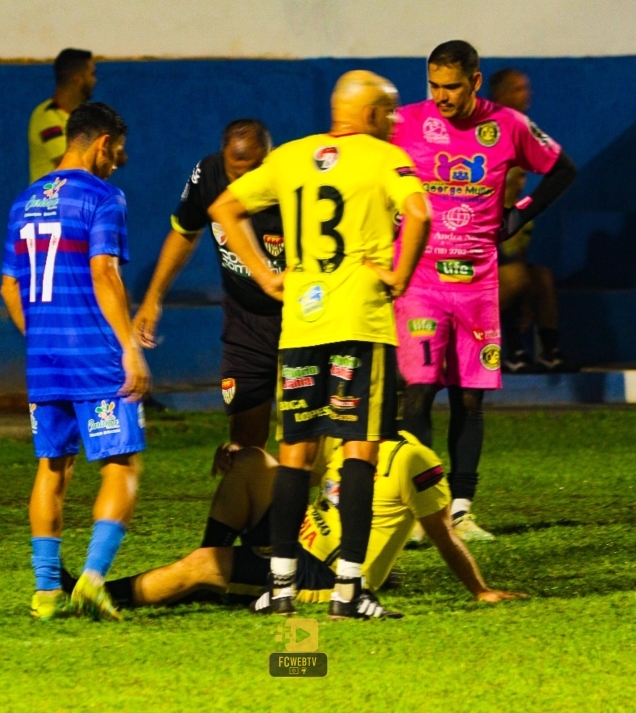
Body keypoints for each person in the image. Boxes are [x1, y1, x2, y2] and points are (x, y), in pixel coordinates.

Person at [209, 70, 431, 619]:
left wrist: (264, 275)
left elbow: (223, 210)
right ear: (374, 115)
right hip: (359, 322)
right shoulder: (383, 158)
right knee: (359, 452)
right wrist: (400, 275)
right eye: (392, 110)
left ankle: (279, 587)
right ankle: (348, 593)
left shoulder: (290, 157)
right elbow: (421, 213)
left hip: (302, 326)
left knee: (294, 455)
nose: (397, 120)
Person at [392, 41, 576, 542]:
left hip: (476, 281)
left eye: (451, 86)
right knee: (418, 392)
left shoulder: (509, 126)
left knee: (470, 400)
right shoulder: (405, 122)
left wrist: (519, 214)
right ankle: (416, 512)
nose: (442, 96)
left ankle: (460, 511)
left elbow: (562, 169)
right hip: (421, 280)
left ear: (475, 81)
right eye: (434, 85)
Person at [1, 102, 150, 622]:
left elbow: (8, 285)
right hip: (96, 356)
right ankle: (90, 579)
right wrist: (129, 347)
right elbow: (105, 272)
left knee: (52, 469)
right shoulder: (103, 197)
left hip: (45, 361)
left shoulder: (24, 202)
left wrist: (42, 337)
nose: (120, 162)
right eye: (119, 151)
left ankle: (45, 593)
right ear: (102, 143)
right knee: (122, 464)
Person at [90, 436, 524, 610]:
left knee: (205, 563)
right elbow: (311, 480)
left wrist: (480, 590)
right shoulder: (343, 436)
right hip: (294, 544)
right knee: (252, 462)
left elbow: (443, 533)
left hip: (327, 574)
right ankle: (214, 585)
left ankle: (99, 595)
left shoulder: (412, 458)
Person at [134, 120, 280, 451]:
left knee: (302, 442)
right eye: (234, 174)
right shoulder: (208, 173)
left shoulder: (289, 183)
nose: (240, 186)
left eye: (251, 174)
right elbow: (184, 233)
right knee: (243, 439)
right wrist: (153, 299)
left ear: (267, 161)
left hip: (296, 321)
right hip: (244, 321)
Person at [489, 68, 576, 373]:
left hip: (506, 262)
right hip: (472, 275)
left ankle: (548, 352)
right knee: (515, 278)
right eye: (517, 89)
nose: (527, 94)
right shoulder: (489, 135)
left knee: (538, 277)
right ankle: (507, 351)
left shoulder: (521, 213)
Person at [28, 48, 97, 184]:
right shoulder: (47, 116)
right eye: (92, 74)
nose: (95, 80)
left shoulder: (83, 118)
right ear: (77, 79)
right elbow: (70, 166)